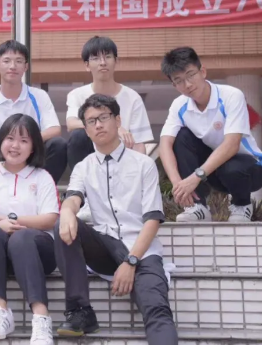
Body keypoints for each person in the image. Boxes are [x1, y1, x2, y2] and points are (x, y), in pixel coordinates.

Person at [54, 94, 177, 345]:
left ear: (118, 120)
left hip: (141, 251)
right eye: (91, 121)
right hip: (104, 247)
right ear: (86, 129)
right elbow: (74, 197)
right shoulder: (83, 167)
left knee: (157, 311)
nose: (98, 125)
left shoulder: (143, 164)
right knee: (63, 224)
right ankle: (80, 311)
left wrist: (131, 262)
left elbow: (152, 219)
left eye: (104, 117)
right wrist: (66, 211)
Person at [0, 114, 59, 345]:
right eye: (10, 138)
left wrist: (13, 220)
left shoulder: (42, 177)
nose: (15, 145)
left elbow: (50, 218)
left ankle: (41, 318)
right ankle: (0, 312)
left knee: (20, 238)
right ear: (1, 141)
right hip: (0, 256)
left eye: (23, 140)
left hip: (39, 254)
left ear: (33, 147)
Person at [159, 47, 262, 223]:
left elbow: (232, 145)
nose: (187, 84)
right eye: (179, 81)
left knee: (231, 167)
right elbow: (165, 144)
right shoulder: (179, 105)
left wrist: (195, 177)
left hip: (250, 169)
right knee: (181, 136)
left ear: (203, 71)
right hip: (213, 172)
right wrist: (178, 184)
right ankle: (198, 207)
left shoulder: (231, 96)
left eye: (190, 75)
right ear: (174, 85)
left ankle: (242, 205)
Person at [0, 40, 67, 193]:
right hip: (0, 160)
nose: (12, 66)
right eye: (6, 61)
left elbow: (54, 129)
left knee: (58, 145)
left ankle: (41, 193)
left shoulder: (39, 96)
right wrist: (0, 169)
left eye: (18, 61)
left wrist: (25, 142)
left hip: (31, 158)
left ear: (25, 67)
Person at [66, 36, 153, 170]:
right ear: (87, 65)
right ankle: (80, 181)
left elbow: (139, 142)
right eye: (96, 58)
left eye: (107, 57)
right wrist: (116, 128)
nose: (102, 62)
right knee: (78, 135)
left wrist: (137, 173)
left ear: (116, 61)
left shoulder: (132, 97)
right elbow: (71, 124)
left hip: (122, 162)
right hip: (91, 159)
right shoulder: (77, 95)